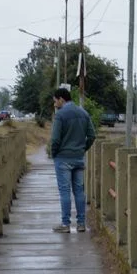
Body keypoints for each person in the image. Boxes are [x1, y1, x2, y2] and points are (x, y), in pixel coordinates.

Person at [48, 87, 95, 233]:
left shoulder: (60, 115)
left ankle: (65, 224)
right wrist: (82, 149)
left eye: (55, 101)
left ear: (61, 99)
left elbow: (55, 139)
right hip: (79, 158)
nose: (55, 105)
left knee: (64, 192)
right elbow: (92, 136)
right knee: (79, 191)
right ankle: (81, 224)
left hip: (63, 158)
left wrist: (54, 153)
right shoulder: (84, 113)